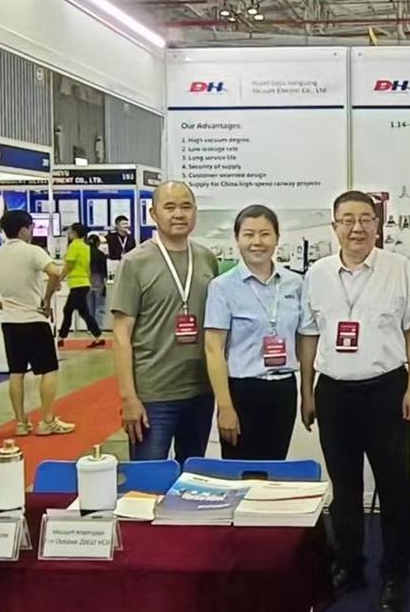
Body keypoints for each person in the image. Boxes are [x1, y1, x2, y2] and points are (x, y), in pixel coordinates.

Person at [298, 190, 410, 612]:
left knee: (394, 488)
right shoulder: (317, 274)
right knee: (345, 489)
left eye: (366, 219)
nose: (357, 228)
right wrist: (307, 391)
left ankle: (395, 575)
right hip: (334, 393)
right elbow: (309, 334)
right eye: (347, 220)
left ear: (378, 224)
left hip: (387, 390)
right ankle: (350, 566)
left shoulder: (399, 268)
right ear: (334, 226)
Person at [112, 181, 218, 463]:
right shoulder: (135, 263)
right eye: (169, 207)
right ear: (153, 214)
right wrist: (128, 397)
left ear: (195, 212)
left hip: (200, 391)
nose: (179, 214)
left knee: (192, 475)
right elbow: (121, 334)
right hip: (153, 395)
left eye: (186, 206)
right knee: (148, 479)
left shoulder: (206, 259)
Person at [204, 205, 303, 460]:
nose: (257, 242)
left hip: (283, 390)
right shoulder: (222, 287)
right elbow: (213, 349)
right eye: (248, 234)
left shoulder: (295, 283)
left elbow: (303, 340)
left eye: (265, 234)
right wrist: (225, 406)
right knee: (241, 472)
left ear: (277, 238)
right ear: (237, 239)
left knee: (275, 468)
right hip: (242, 391)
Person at [0, 210, 75, 436]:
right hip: (34, 319)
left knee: (16, 372)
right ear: (23, 230)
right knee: (48, 370)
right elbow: (55, 273)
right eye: (31, 228)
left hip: (11, 322)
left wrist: (1, 305)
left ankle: (20, 423)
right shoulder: (33, 251)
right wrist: (47, 299)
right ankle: (47, 421)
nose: (32, 232)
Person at [57, 222, 105, 349]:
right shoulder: (85, 246)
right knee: (83, 312)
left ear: (75, 232)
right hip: (83, 282)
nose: (69, 233)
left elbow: (69, 265)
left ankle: (61, 337)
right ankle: (98, 336)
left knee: (68, 310)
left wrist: (60, 277)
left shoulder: (74, 245)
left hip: (77, 283)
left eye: (70, 231)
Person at [86, 234, 109, 330]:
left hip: (86, 279)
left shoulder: (84, 254)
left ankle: (90, 327)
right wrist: (104, 284)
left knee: (89, 306)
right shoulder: (101, 254)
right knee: (99, 306)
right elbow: (104, 271)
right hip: (98, 279)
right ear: (98, 243)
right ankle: (98, 327)